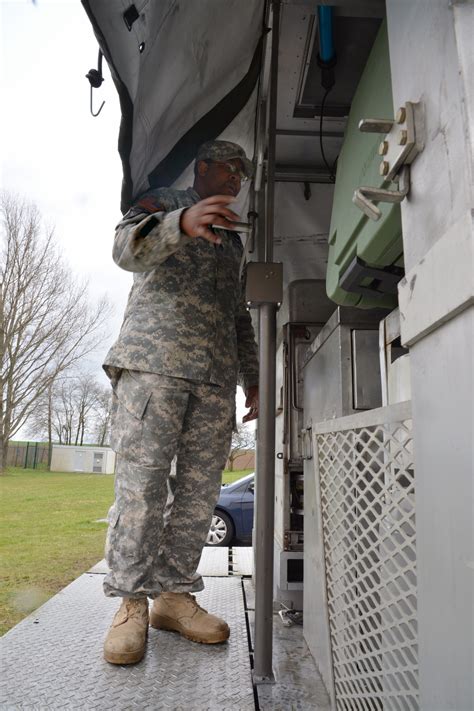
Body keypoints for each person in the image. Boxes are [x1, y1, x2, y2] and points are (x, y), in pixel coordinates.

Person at [102, 140, 259, 665]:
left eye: (244, 172)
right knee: (142, 486)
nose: (238, 178)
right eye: (231, 168)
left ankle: (173, 597)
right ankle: (130, 603)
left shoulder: (231, 243)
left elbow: (238, 315)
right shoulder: (163, 202)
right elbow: (125, 251)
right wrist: (181, 221)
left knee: (198, 494)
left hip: (213, 380)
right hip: (154, 367)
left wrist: (252, 381)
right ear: (205, 167)